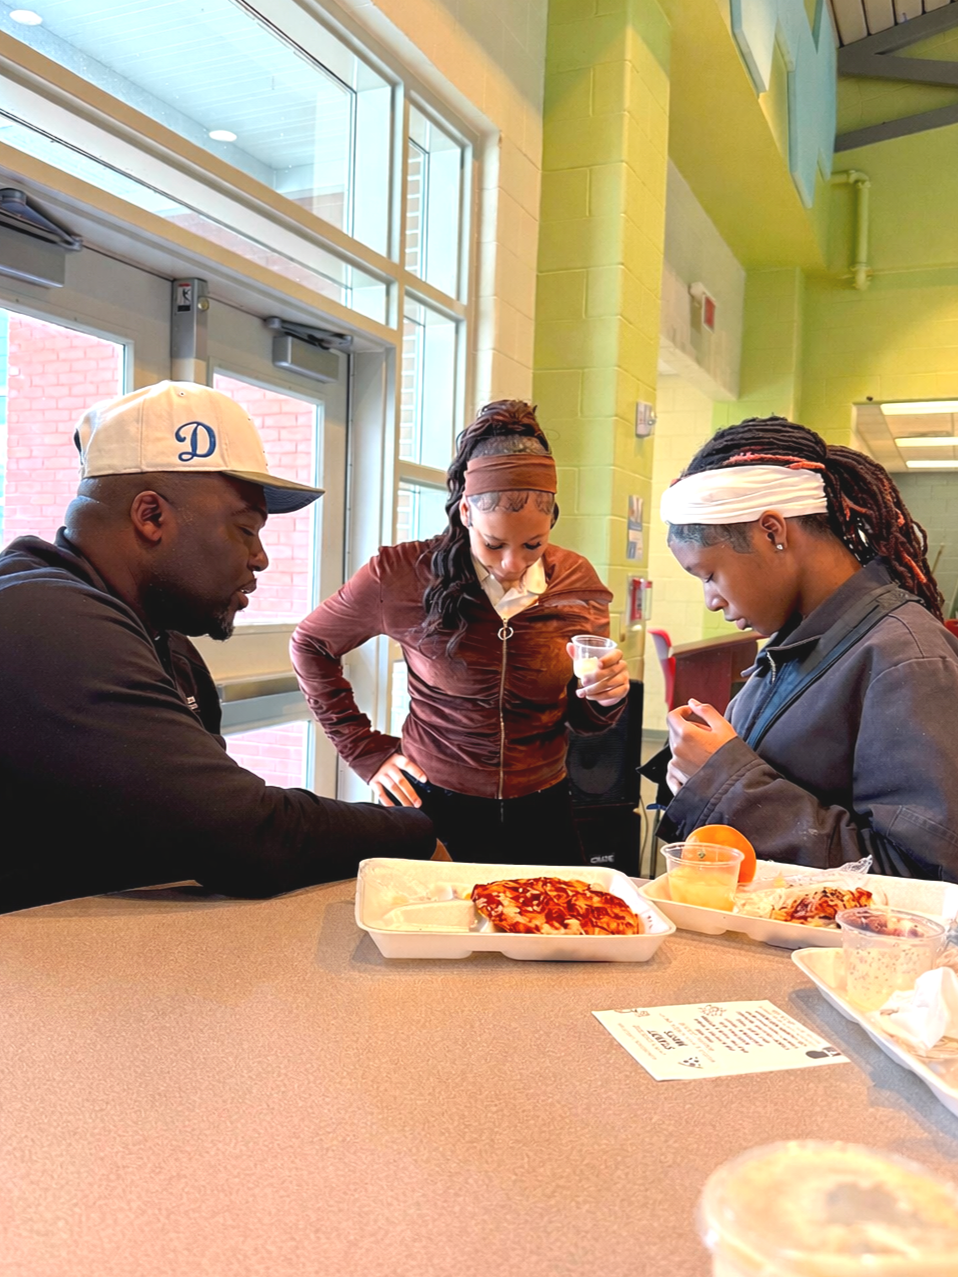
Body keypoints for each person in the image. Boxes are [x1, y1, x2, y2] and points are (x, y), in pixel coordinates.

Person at [0, 381, 439, 914]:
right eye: (245, 529)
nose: (260, 559)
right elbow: (242, 833)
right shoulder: (42, 619)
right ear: (151, 516)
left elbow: (188, 827)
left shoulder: (168, 645)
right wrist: (415, 835)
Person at [291, 400, 630, 864]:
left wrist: (607, 698)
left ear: (551, 520)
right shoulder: (401, 574)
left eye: (533, 543)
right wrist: (363, 749)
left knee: (555, 935)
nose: (513, 564)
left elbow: (582, 718)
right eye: (494, 544)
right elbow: (310, 644)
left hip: (543, 808)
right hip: (432, 805)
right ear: (467, 511)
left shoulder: (577, 582)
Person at [656, 414, 958, 881]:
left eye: (709, 575)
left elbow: (921, 878)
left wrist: (724, 779)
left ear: (773, 531)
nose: (711, 600)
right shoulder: (801, 640)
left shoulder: (905, 659)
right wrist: (694, 772)